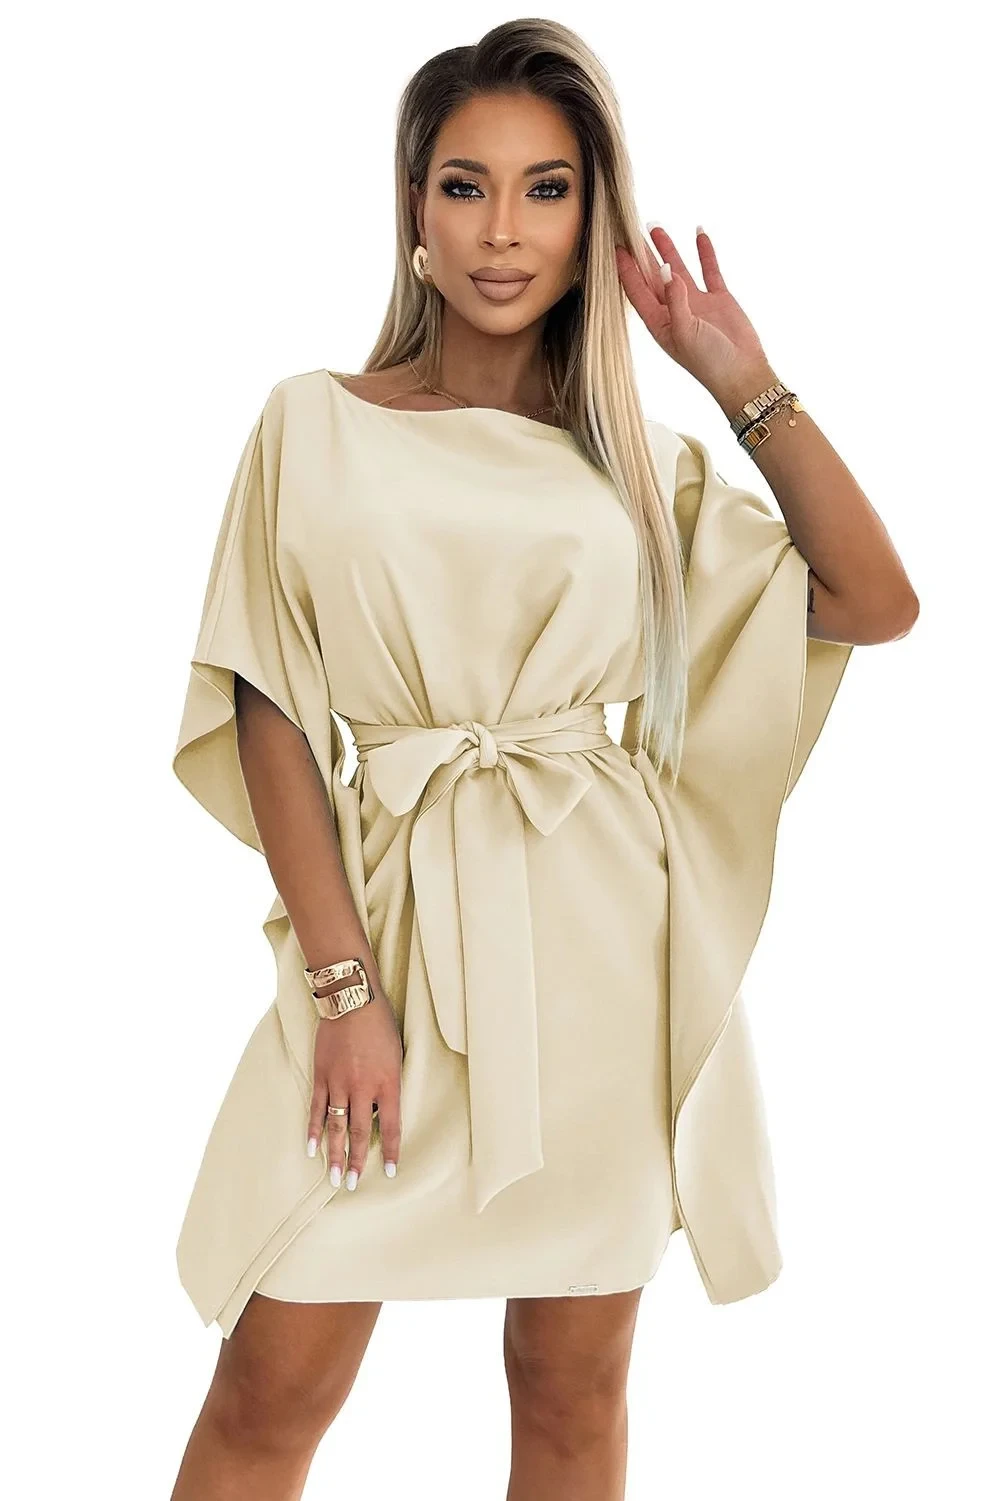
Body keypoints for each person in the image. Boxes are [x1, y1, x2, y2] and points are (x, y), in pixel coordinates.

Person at [167, 19, 918, 1501]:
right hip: (390, 944)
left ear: (593, 219)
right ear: (414, 207)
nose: (503, 230)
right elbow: (271, 710)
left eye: (548, 189)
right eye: (466, 186)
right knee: (272, 1385)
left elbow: (871, 600)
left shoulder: (639, 465)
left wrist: (738, 376)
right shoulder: (312, 425)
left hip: (599, 952)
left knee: (572, 1392)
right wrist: (344, 992)